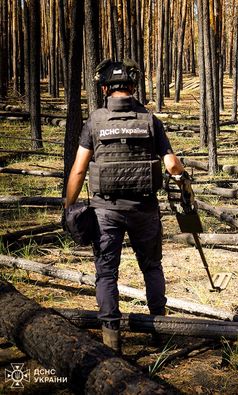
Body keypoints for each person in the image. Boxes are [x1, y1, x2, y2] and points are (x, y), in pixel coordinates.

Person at [64, 59, 186, 352]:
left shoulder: (95, 121)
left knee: (106, 273)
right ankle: (160, 327)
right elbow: (171, 165)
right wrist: (185, 184)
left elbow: (79, 169)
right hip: (144, 209)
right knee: (152, 267)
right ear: (132, 88)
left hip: (106, 210)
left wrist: (69, 206)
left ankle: (111, 337)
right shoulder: (149, 120)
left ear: (105, 88)